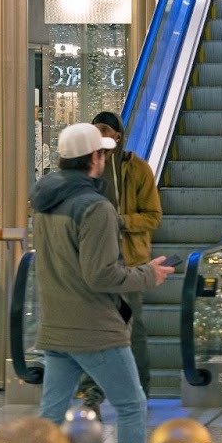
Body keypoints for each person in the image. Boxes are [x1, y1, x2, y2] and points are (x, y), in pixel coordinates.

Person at [30, 123, 171, 443]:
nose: (106, 160)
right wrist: (148, 274)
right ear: (95, 156)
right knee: (131, 405)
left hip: (55, 325)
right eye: (104, 153)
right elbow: (101, 275)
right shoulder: (95, 207)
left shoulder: (44, 203)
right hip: (94, 329)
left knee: (50, 414)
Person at [77, 110, 162, 403]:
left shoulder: (136, 169)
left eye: (104, 130)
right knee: (91, 328)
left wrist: (120, 221)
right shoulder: (85, 168)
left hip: (128, 262)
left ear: (118, 135)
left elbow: (152, 216)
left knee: (132, 327)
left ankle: (139, 391)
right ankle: (93, 393)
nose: (99, 136)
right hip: (93, 259)